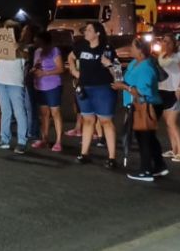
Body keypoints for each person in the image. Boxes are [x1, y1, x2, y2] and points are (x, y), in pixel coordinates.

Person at [67, 22, 121, 169]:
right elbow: (70, 56)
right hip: (84, 88)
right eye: (86, 30)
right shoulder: (81, 45)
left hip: (102, 89)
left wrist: (109, 64)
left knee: (106, 122)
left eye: (89, 30)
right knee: (88, 120)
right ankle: (84, 153)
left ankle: (111, 157)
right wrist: (73, 69)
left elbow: (117, 71)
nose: (86, 32)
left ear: (97, 33)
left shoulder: (107, 48)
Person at [113, 37, 166, 182]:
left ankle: (146, 170)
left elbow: (142, 93)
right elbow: (126, 78)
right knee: (149, 137)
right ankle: (160, 165)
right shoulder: (135, 63)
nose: (130, 49)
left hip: (147, 105)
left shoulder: (146, 68)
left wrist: (123, 87)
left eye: (133, 47)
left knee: (144, 138)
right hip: (137, 105)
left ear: (141, 51)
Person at [0, 25, 30, 154]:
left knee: (19, 112)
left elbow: (27, 57)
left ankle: (22, 142)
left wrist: (17, 48)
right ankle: (4, 140)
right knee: (5, 112)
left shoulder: (23, 46)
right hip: (1, 81)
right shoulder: (1, 45)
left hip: (15, 83)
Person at [157, 34, 180, 162]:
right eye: (163, 41)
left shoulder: (179, 56)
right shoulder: (162, 56)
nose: (165, 44)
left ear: (173, 43)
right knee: (168, 123)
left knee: (172, 122)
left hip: (174, 90)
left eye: (167, 41)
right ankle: (174, 149)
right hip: (163, 90)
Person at [31, 31, 65, 151]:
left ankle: (58, 140)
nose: (35, 43)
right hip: (40, 86)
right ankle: (44, 138)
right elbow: (36, 66)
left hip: (53, 85)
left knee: (55, 112)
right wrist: (34, 70)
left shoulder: (54, 51)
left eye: (37, 40)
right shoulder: (37, 52)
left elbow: (61, 68)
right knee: (44, 114)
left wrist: (45, 73)